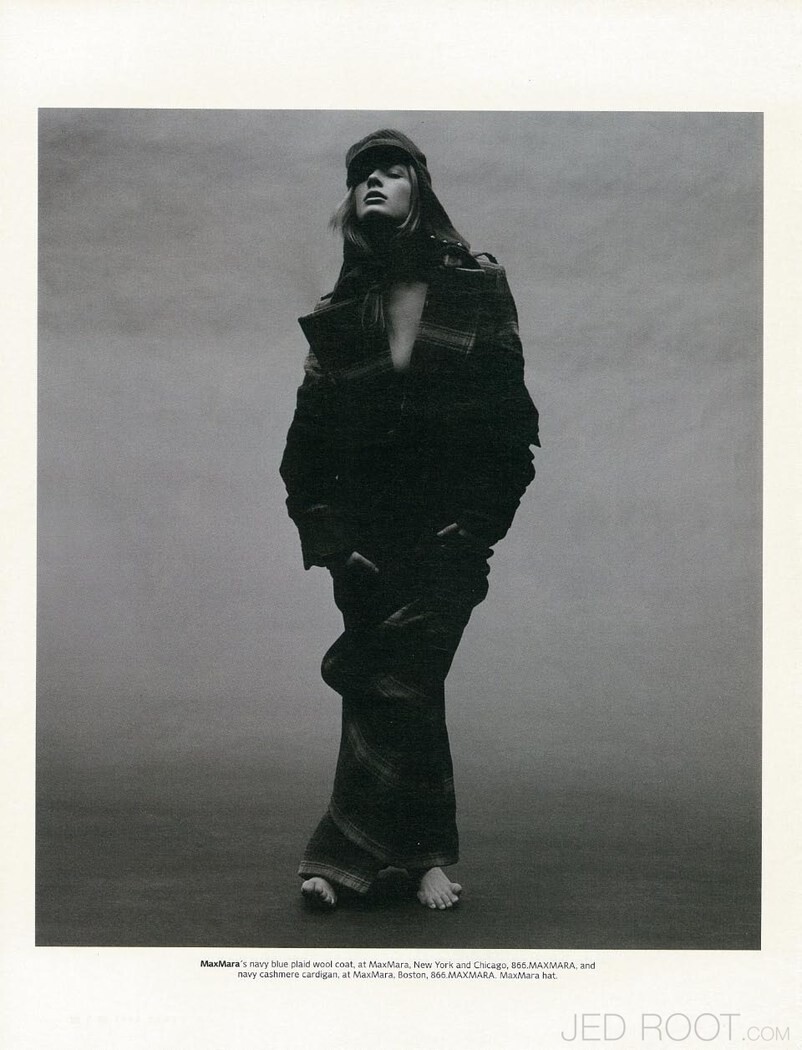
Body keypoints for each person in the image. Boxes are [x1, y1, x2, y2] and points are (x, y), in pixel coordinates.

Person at [280, 129, 540, 910]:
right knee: (395, 691)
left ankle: (338, 860)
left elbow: (512, 424)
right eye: (362, 175)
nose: (374, 183)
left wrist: (477, 528)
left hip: (447, 536)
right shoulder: (339, 315)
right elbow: (305, 448)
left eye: (392, 172)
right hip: (367, 543)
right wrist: (333, 545)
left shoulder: (477, 288)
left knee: (403, 682)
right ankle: (424, 857)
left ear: (419, 190)